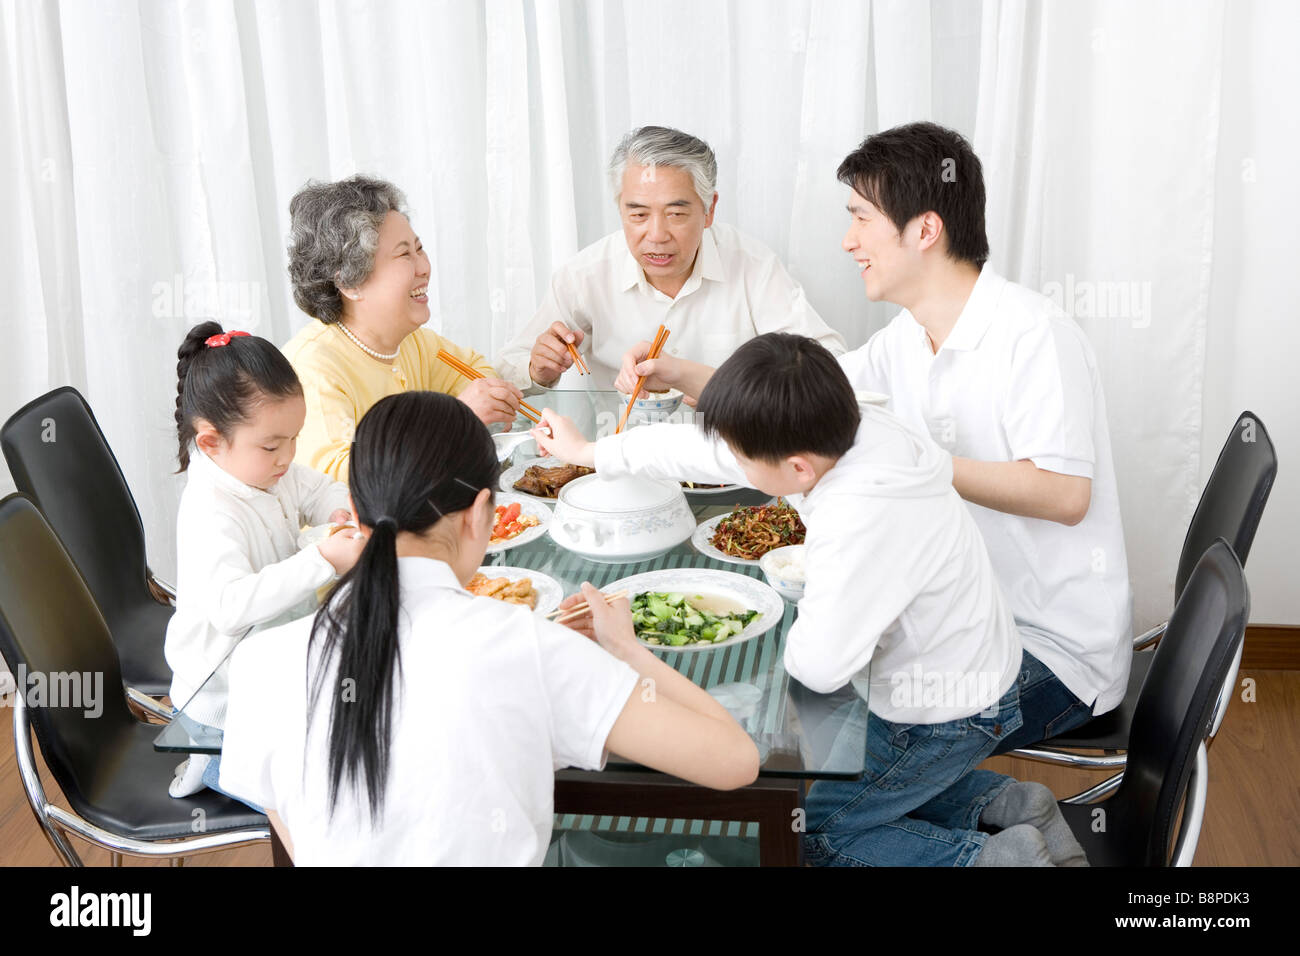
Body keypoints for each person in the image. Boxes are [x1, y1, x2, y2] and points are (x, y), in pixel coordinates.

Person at [533, 333, 1087, 866]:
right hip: (963, 673)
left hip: (945, 713)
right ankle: (1010, 805)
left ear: (796, 468)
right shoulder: (849, 427)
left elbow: (817, 668)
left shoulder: (860, 518)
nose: (731, 461)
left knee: (808, 832)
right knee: (869, 789)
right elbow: (701, 452)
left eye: (742, 457)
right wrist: (590, 452)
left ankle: (990, 858)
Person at [217, 391, 759, 865]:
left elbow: (292, 823)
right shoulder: (528, 646)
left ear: (355, 510)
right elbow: (736, 761)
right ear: (481, 512)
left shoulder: (261, 662)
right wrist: (628, 650)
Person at [833, 122, 1132, 751]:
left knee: (823, 793)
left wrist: (924, 463)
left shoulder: (1033, 333)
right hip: (961, 623)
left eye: (861, 218)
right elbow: (811, 387)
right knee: (821, 721)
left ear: (924, 229)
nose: (848, 240)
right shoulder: (910, 335)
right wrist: (685, 372)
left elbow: (1065, 494)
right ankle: (1009, 814)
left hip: (1050, 651)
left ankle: (990, 850)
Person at [165, 322, 364, 803]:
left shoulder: (266, 469)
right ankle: (211, 766)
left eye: (294, 438)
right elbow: (232, 606)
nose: (288, 456)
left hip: (272, 664)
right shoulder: (209, 511)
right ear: (211, 442)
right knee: (331, 794)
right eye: (274, 445)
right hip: (224, 704)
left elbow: (317, 489)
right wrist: (321, 558)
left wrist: (339, 509)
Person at [493, 126, 846, 394]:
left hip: (729, 455)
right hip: (621, 457)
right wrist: (539, 371)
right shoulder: (584, 275)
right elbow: (507, 374)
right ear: (620, 209)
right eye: (638, 215)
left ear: (709, 210)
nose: (657, 235)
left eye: (676, 214)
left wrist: (734, 384)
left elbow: (828, 363)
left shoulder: (752, 265)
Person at [283, 175, 523, 481]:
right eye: (403, 254)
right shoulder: (312, 368)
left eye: (419, 248)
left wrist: (485, 401)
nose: (423, 267)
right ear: (349, 282)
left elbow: (475, 372)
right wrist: (454, 420)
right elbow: (339, 476)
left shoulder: (413, 342)